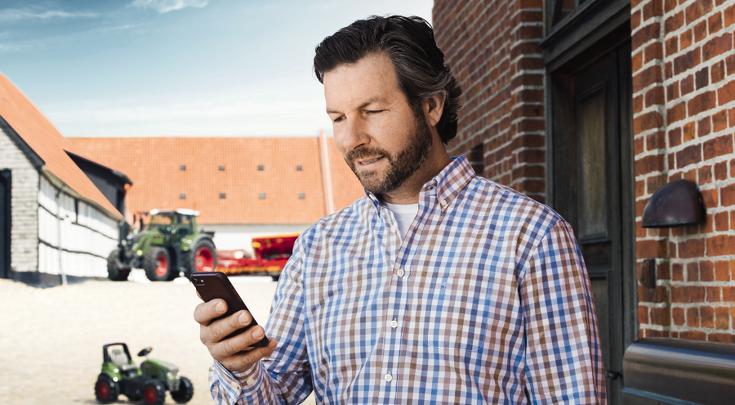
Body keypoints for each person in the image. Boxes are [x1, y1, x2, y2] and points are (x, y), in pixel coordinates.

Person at [194, 15, 606, 404]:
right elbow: (274, 393)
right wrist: (239, 368)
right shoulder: (317, 249)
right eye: (338, 117)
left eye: (371, 111)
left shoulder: (532, 236)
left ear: (431, 106)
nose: (351, 138)